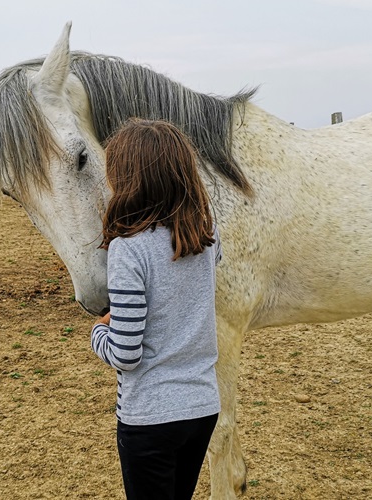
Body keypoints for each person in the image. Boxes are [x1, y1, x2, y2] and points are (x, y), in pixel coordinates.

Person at [91, 119, 222, 500]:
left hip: (150, 416)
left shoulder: (127, 249)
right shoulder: (206, 237)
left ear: (126, 179)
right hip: (202, 407)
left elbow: (126, 355)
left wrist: (100, 331)